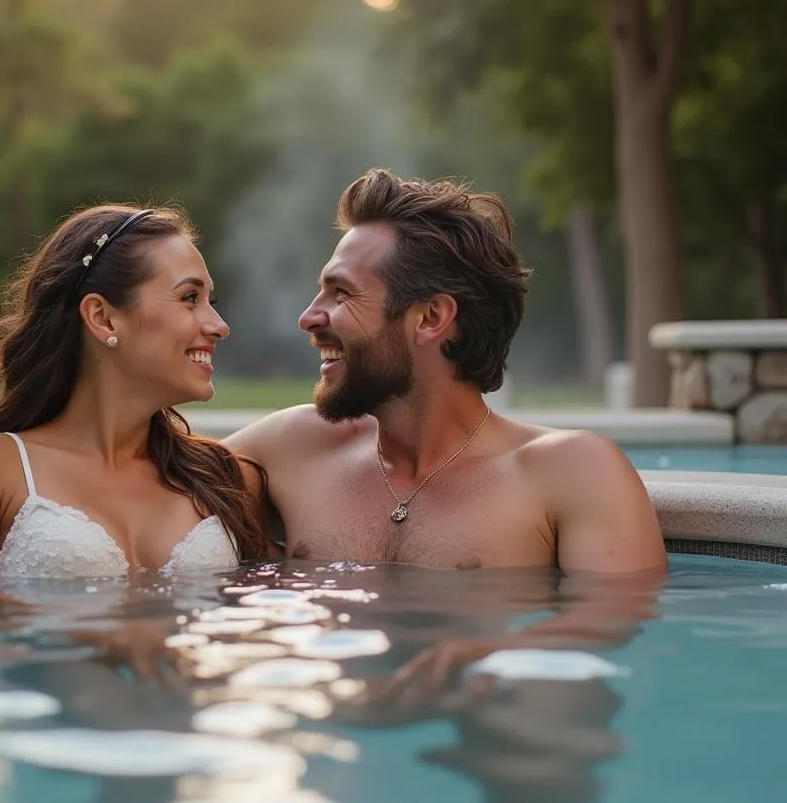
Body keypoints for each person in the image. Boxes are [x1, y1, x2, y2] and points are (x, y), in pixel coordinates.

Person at [227, 168, 668, 575]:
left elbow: (613, 626)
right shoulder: (294, 446)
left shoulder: (572, 471)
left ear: (431, 317)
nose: (308, 317)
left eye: (341, 294)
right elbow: (162, 475)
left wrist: (486, 657)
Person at [0, 204, 271, 580]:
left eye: (211, 301)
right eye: (189, 298)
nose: (219, 325)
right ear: (103, 317)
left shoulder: (220, 478)